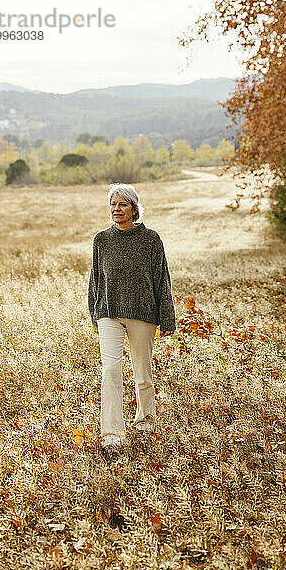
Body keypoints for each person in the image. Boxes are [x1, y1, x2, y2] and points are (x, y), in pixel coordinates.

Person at [88, 183, 176, 453]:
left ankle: (145, 422)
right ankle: (113, 433)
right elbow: (95, 279)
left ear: (134, 209)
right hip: (109, 312)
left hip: (142, 312)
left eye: (123, 204)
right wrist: (94, 311)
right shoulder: (101, 240)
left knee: (142, 371)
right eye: (113, 204)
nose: (116, 209)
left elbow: (162, 278)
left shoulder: (150, 239)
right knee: (111, 370)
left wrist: (167, 318)